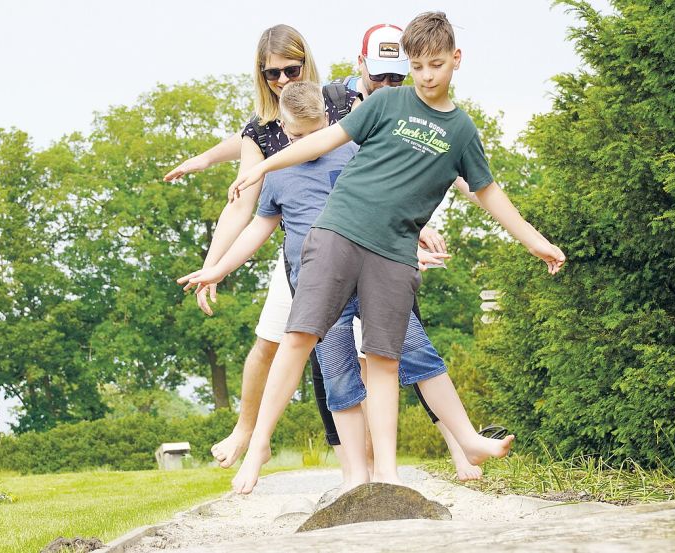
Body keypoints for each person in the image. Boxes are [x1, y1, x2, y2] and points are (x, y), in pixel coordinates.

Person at [206, 11, 566, 495]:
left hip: (394, 250)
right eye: (417, 67)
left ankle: (388, 474)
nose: (425, 76)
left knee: (386, 359)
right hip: (339, 232)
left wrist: (535, 240)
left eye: (434, 65)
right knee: (298, 337)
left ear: (456, 60)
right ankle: (256, 450)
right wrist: (261, 169)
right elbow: (328, 137)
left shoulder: (461, 131)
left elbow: (488, 192)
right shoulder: (388, 103)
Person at [169, 23, 484, 481]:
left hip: (366, 245)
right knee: (285, 345)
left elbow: (398, 171)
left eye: (290, 71)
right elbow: (248, 200)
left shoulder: (348, 103)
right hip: (304, 259)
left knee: (402, 348)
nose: (282, 80)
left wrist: (417, 229)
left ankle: (450, 447)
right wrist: (213, 264)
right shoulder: (270, 134)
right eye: (271, 74)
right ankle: (266, 441)